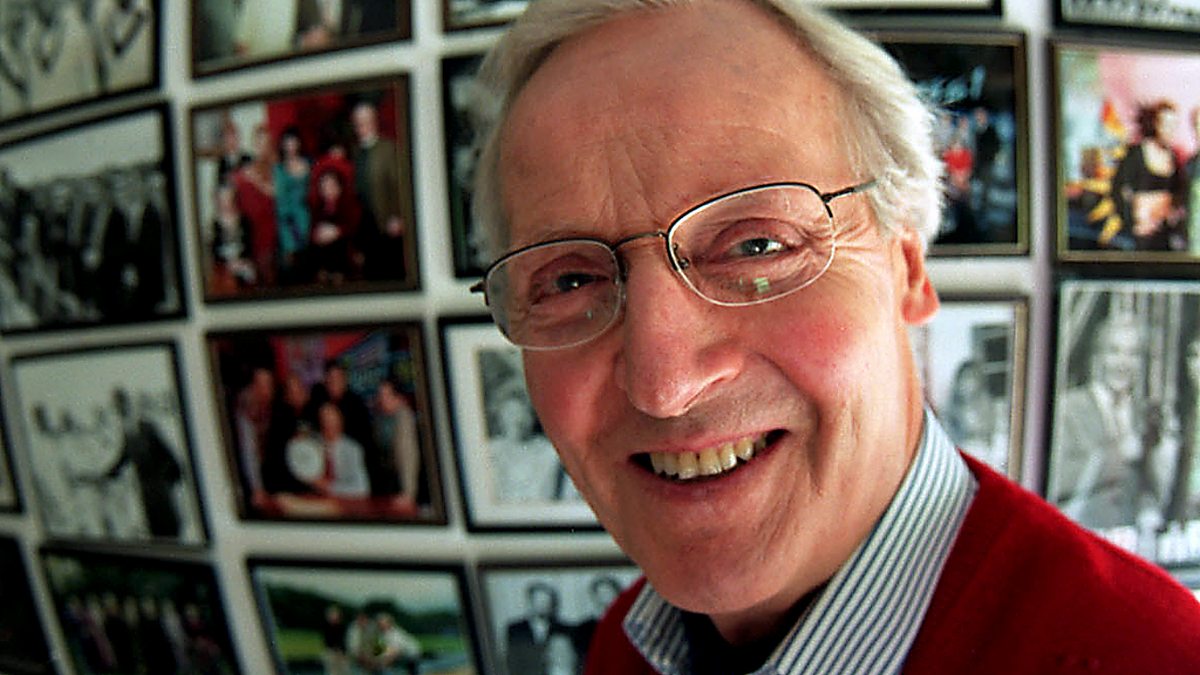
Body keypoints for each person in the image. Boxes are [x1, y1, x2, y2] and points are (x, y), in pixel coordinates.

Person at [466, 1, 1200, 673]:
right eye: (569, 280)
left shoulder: (1151, 657)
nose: (664, 385)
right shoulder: (626, 644)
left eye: (757, 245)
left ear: (907, 269)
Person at [102, 387, 183, 539]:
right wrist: (106, 475)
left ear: (129, 405)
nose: (122, 412)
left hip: (161, 488)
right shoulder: (128, 434)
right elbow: (122, 459)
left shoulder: (147, 427)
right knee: (156, 529)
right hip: (146, 490)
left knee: (170, 527)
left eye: (123, 406)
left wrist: (167, 481)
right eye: (118, 409)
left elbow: (169, 455)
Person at [1110, 100, 1188, 251]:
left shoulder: (1173, 156)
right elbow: (1118, 190)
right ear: (1154, 124)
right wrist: (1132, 223)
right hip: (1140, 236)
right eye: (1166, 124)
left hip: (1164, 233)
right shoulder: (1136, 154)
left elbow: (1179, 192)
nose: (1171, 130)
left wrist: (1172, 214)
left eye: (1174, 125)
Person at [505, 582, 571, 675]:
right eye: (539, 601)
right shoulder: (515, 629)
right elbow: (513, 661)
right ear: (530, 602)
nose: (542, 605)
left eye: (546, 601)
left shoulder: (564, 629)